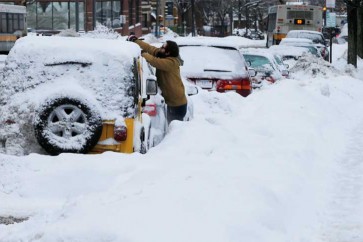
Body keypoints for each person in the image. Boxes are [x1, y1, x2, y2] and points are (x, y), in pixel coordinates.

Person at [127, 35, 188, 124]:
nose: (160, 48)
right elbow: (150, 48)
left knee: (174, 129)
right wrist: (136, 41)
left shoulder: (171, 63)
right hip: (169, 102)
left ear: (168, 53)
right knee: (168, 126)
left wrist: (142, 53)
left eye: (163, 48)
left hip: (177, 105)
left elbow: (154, 61)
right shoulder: (163, 55)